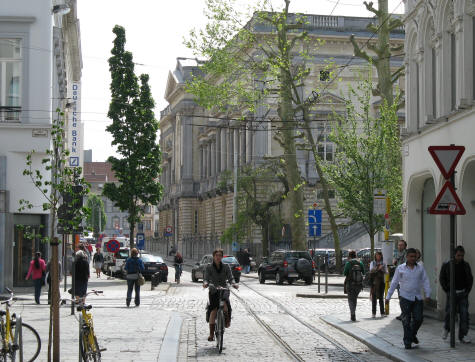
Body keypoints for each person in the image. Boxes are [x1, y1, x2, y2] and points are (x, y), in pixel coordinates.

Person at [386, 248, 431, 349]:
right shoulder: (400, 268)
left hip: (417, 297)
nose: (413, 258)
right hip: (405, 297)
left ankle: (411, 335)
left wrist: (428, 294)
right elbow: (394, 282)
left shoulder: (420, 268)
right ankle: (407, 341)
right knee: (406, 320)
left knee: (419, 319)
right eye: (411, 256)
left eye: (414, 256)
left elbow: (425, 281)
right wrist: (388, 296)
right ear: (406, 257)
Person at [439, 245, 473, 343]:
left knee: (464, 314)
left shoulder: (465, 265)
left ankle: (463, 335)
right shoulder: (447, 264)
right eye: (458, 255)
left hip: (463, 293)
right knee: (450, 312)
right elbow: (442, 278)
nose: (460, 257)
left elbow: (470, 278)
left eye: (462, 256)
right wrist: (447, 290)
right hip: (452, 293)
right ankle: (446, 329)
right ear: (454, 255)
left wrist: (467, 291)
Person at [203, 248, 239, 341]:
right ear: (213, 256)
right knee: (214, 310)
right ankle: (211, 334)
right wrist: (206, 283)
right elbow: (206, 278)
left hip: (224, 289)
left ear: (222, 257)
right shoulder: (209, 267)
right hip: (213, 289)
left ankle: (226, 320)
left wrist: (234, 283)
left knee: (226, 305)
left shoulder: (226, 266)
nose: (218, 257)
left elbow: (231, 278)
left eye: (220, 255)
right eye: (216, 255)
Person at [343, 250, 365, 322]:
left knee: (350, 299)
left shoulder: (348, 263)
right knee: (354, 299)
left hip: (350, 284)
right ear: (356, 255)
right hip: (358, 284)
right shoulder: (360, 262)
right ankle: (353, 313)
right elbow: (363, 272)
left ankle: (353, 314)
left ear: (349, 256)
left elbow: (345, 273)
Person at [369, 251, 387, 318]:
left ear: (381, 256)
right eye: (377, 256)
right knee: (374, 298)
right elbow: (370, 270)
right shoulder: (372, 262)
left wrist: (383, 269)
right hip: (374, 282)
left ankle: (382, 312)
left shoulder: (384, 263)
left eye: (379, 256)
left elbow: (387, 272)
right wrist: (377, 268)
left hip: (382, 281)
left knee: (381, 297)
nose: (378, 257)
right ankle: (373, 313)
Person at [393, 240, 407, 320]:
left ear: (405, 246)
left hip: (404, 278)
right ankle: (403, 313)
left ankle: (405, 313)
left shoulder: (406, 254)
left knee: (404, 297)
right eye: (398, 245)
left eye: (401, 245)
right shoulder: (396, 254)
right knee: (400, 297)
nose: (399, 246)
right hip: (398, 278)